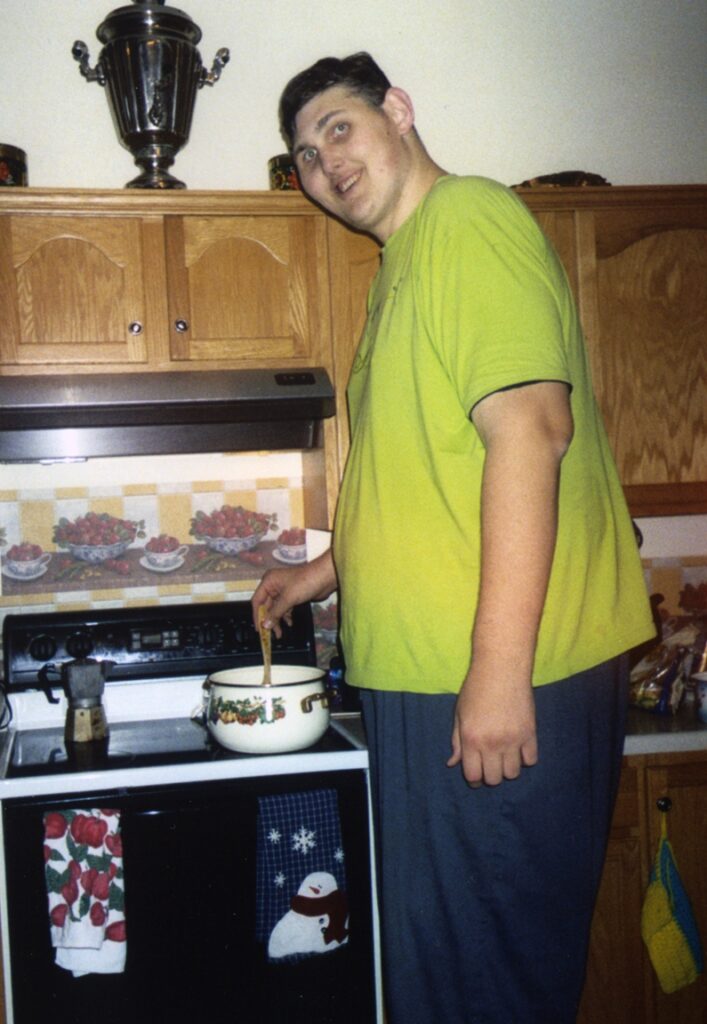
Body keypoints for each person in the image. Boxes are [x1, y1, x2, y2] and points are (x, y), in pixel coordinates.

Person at [253, 52, 655, 1024]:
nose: (323, 162)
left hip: (496, 681)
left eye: (338, 127)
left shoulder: (469, 220)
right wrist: (317, 574)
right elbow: (421, 480)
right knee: (444, 982)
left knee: (487, 985)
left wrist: (496, 671)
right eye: (303, 154)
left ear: (397, 108)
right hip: (430, 685)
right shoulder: (403, 270)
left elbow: (528, 432)